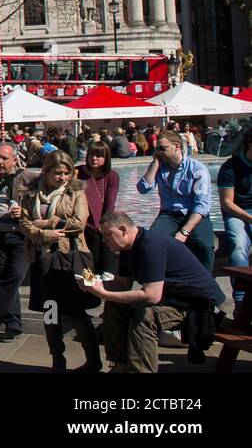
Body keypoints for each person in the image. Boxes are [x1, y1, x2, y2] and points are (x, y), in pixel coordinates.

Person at [85, 211, 225, 373]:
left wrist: (104, 294)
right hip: (173, 298)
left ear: (123, 229)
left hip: (200, 304)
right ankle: (121, 365)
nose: (104, 240)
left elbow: (151, 295)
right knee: (114, 306)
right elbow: (122, 283)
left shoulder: (151, 246)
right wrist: (93, 286)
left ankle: (142, 371)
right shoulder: (127, 248)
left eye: (108, 235)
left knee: (144, 316)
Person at [19, 151, 101, 372]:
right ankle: (58, 358)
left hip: (71, 257)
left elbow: (78, 223)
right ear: (46, 172)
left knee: (76, 311)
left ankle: (93, 360)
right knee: (50, 310)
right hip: (43, 258)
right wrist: (45, 235)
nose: (63, 177)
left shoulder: (75, 192)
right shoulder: (29, 194)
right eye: (58, 173)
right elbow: (24, 223)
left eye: (66, 173)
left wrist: (47, 223)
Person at [0, 142, 39, 342]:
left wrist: (25, 212)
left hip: (19, 236)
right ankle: (13, 323)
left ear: (15, 159)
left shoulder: (28, 176)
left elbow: (45, 198)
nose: (0, 162)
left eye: (5, 158)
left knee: (14, 277)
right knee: (5, 279)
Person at [137, 130, 215, 272]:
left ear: (177, 147)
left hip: (194, 215)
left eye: (162, 149)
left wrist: (184, 232)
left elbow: (202, 205)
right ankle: (160, 282)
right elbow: (143, 189)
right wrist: (154, 164)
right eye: (156, 149)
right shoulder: (160, 167)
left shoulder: (197, 169)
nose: (159, 152)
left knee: (204, 245)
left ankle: (206, 282)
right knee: (152, 241)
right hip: (169, 215)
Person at [217, 128, 252, 306]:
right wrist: (249, 219)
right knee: (238, 245)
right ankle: (241, 300)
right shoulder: (231, 167)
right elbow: (227, 203)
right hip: (237, 212)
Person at [78, 141, 120, 277]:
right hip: (85, 223)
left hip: (103, 222)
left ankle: (109, 279)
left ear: (106, 158)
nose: (94, 158)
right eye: (91, 155)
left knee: (109, 240)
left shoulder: (112, 176)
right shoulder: (79, 173)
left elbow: (110, 203)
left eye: (99, 156)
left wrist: (104, 224)